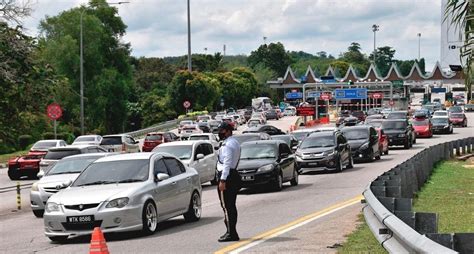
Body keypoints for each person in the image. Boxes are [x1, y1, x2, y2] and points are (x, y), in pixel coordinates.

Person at [216, 121, 241, 242]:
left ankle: (231, 233)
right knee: (231, 206)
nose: (220, 133)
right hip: (233, 174)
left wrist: (222, 180)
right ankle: (231, 231)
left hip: (227, 177)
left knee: (227, 207)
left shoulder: (227, 145)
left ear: (228, 131)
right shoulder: (234, 142)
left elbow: (226, 163)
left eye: (222, 131)